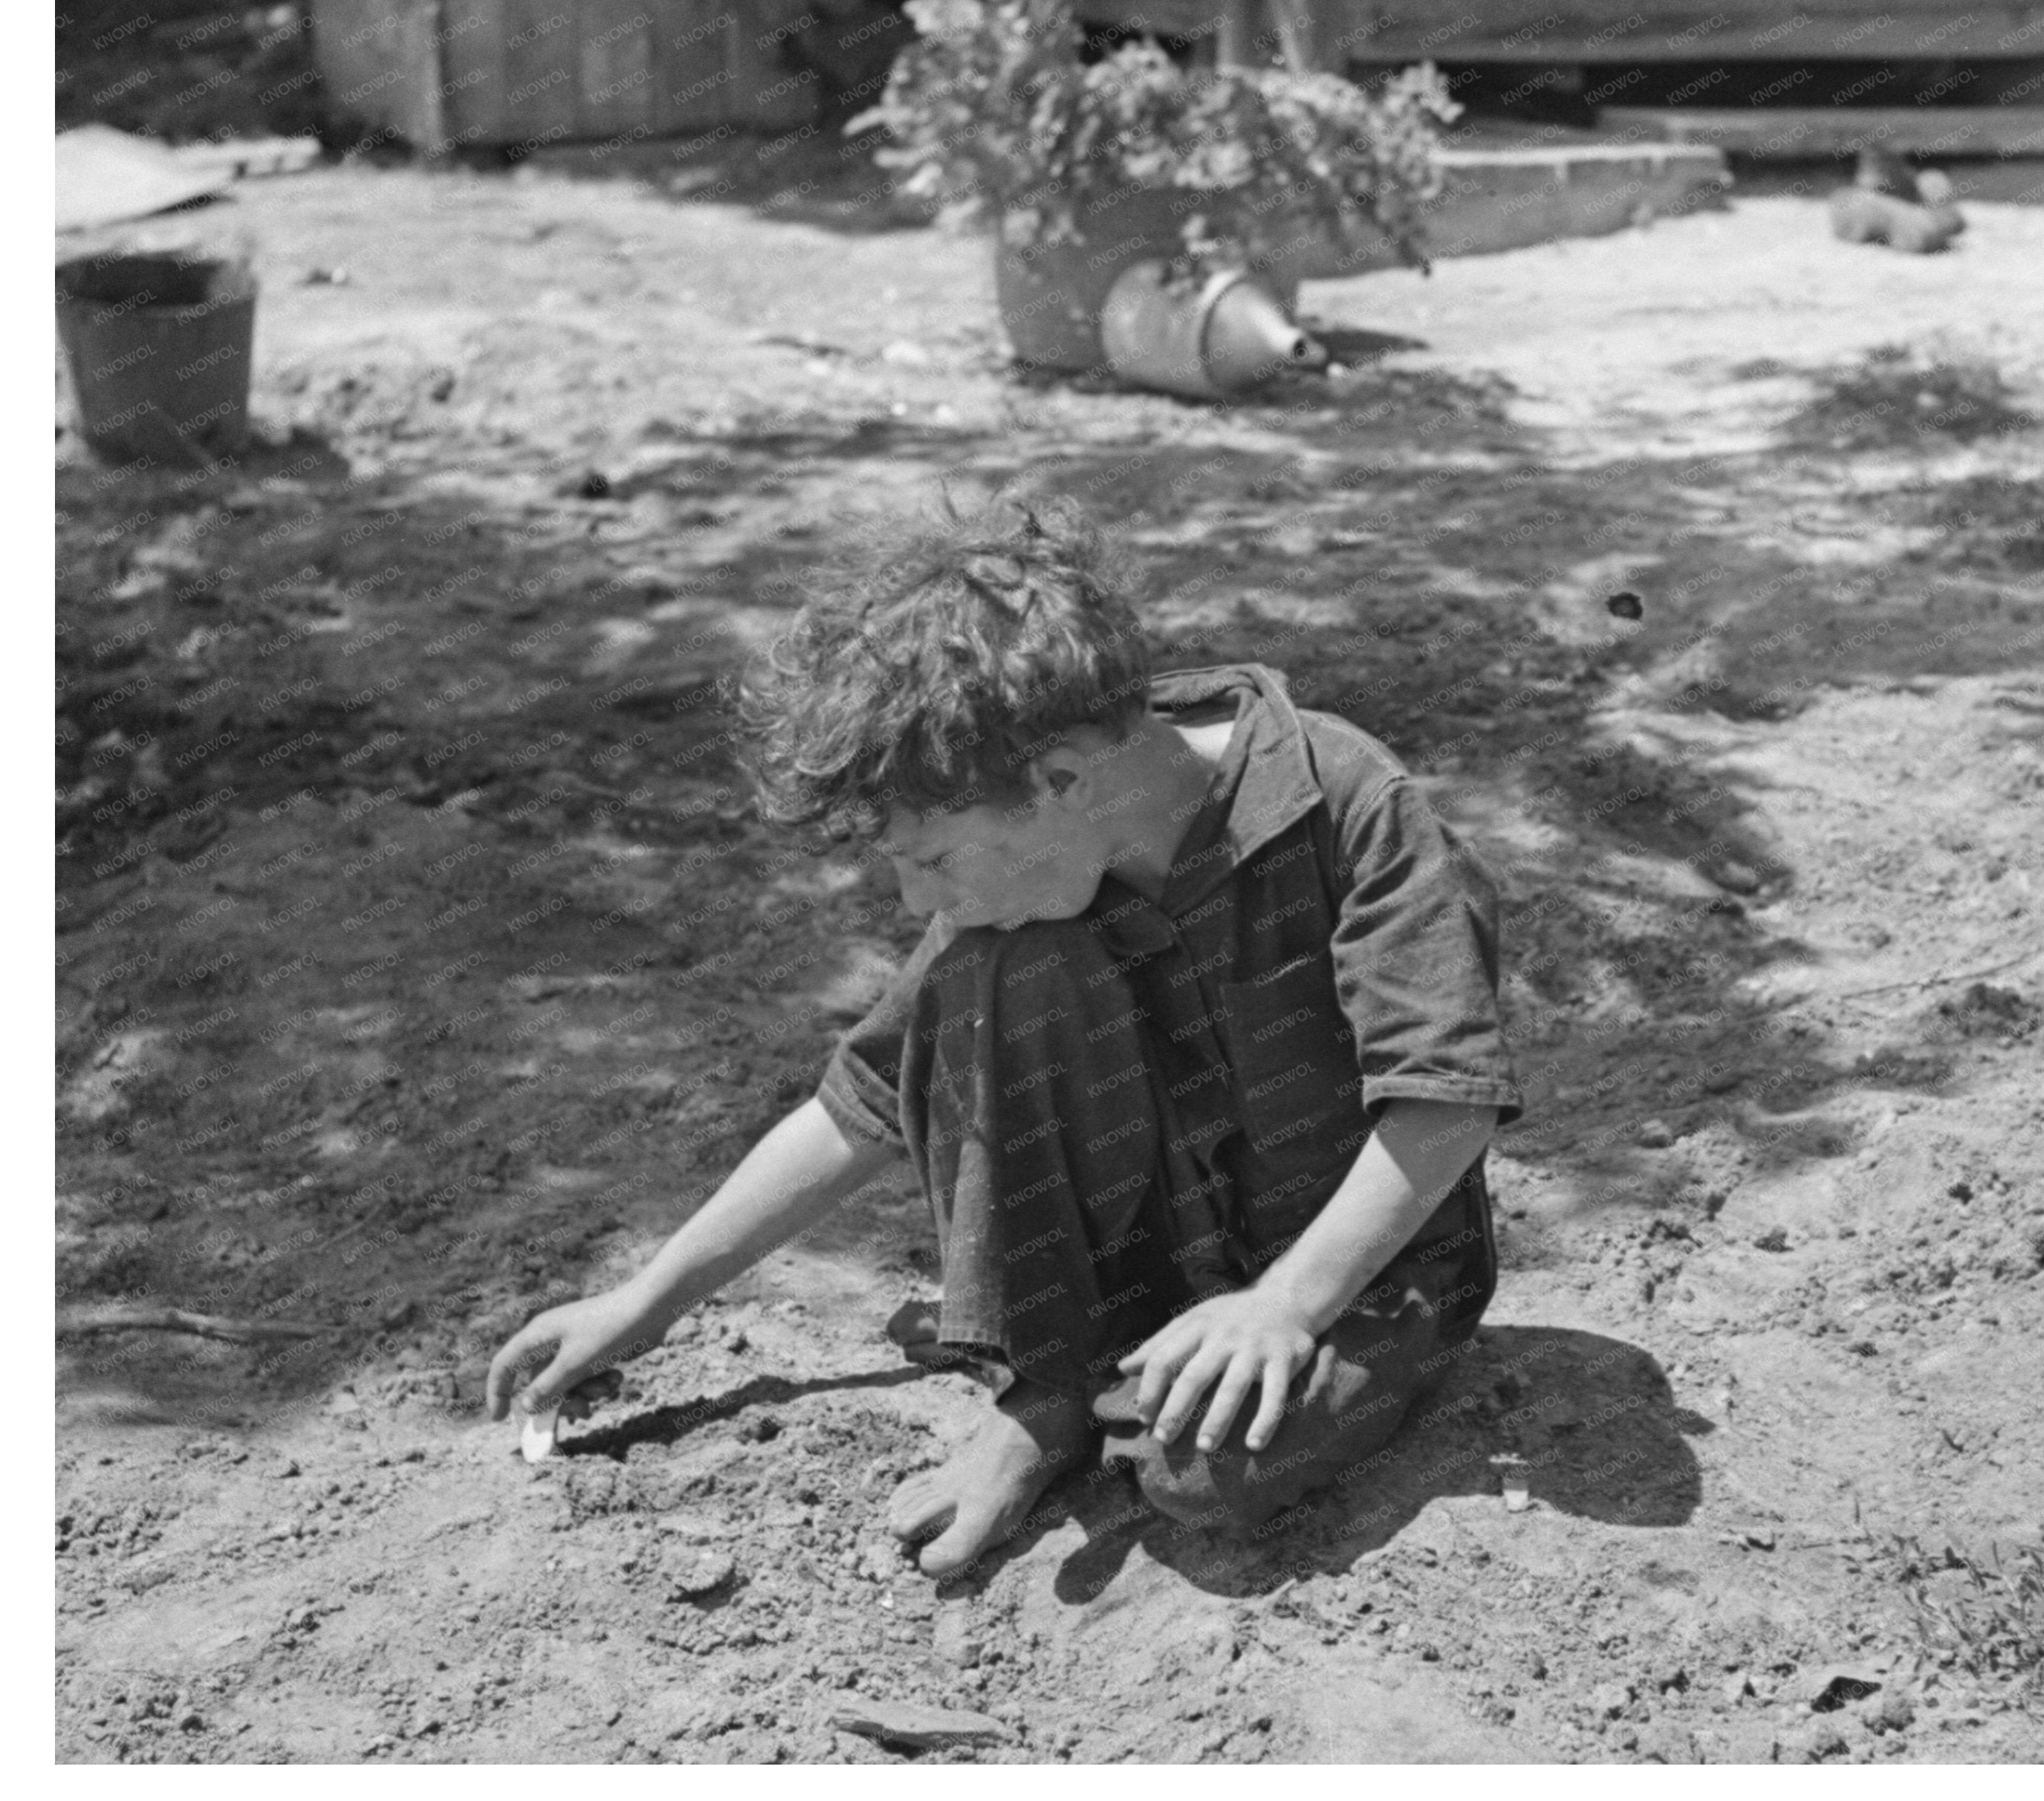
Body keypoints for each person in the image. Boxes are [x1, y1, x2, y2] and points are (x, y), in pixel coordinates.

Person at [484, 490, 1521, 1577]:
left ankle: (1136, 1385)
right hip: (1173, 1248)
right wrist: (646, 1301)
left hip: (1357, 1275)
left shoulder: (1345, 796)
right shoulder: (1042, 870)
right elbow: (864, 1104)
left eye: (928, 858)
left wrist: (1283, 1307)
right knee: (991, 975)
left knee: (1199, 1473)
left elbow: (1442, 1103)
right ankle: (1055, 1394)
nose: (908, 899)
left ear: (1061, 779)